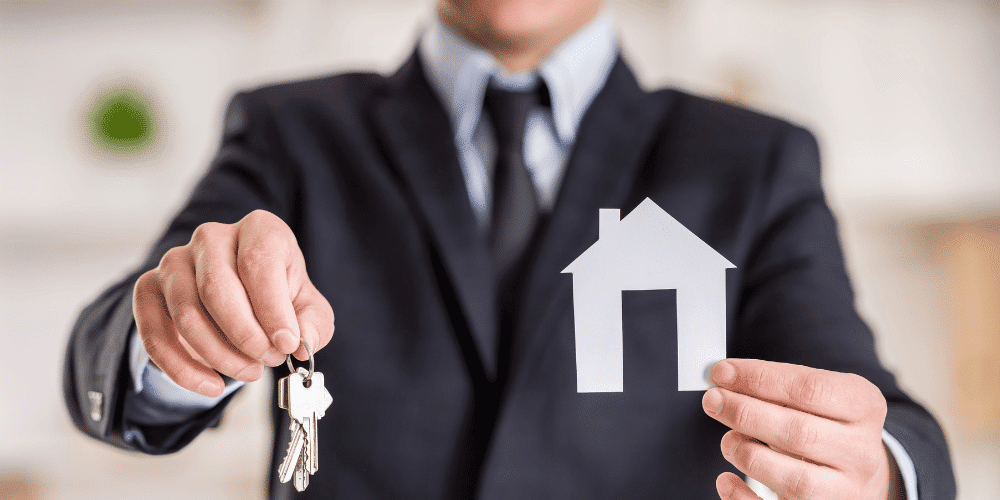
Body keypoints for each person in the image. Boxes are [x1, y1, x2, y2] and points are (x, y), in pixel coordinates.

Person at [63, 0, 956, 498]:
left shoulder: (753, 161)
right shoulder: (291, 132)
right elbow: (110, 347)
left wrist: (872, 475)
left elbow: (893, 425)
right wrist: (174, 337)